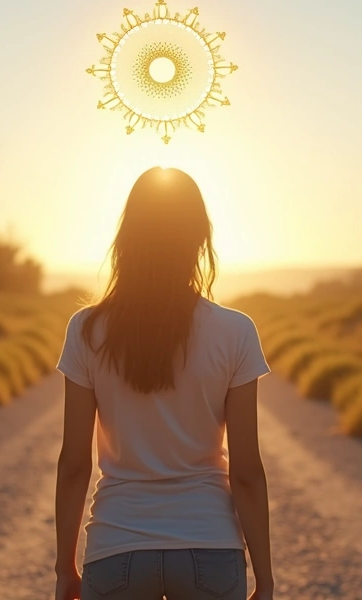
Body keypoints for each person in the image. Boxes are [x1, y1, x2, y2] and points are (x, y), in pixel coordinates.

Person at [54, 167, 274, 600]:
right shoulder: (235, 331)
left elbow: (75, 463)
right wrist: (265, 577)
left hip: (115, 548)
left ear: (127, 238)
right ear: (199, 238)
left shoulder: (86, 330)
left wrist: (65, 567)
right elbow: (246, 472)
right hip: (209, 546)